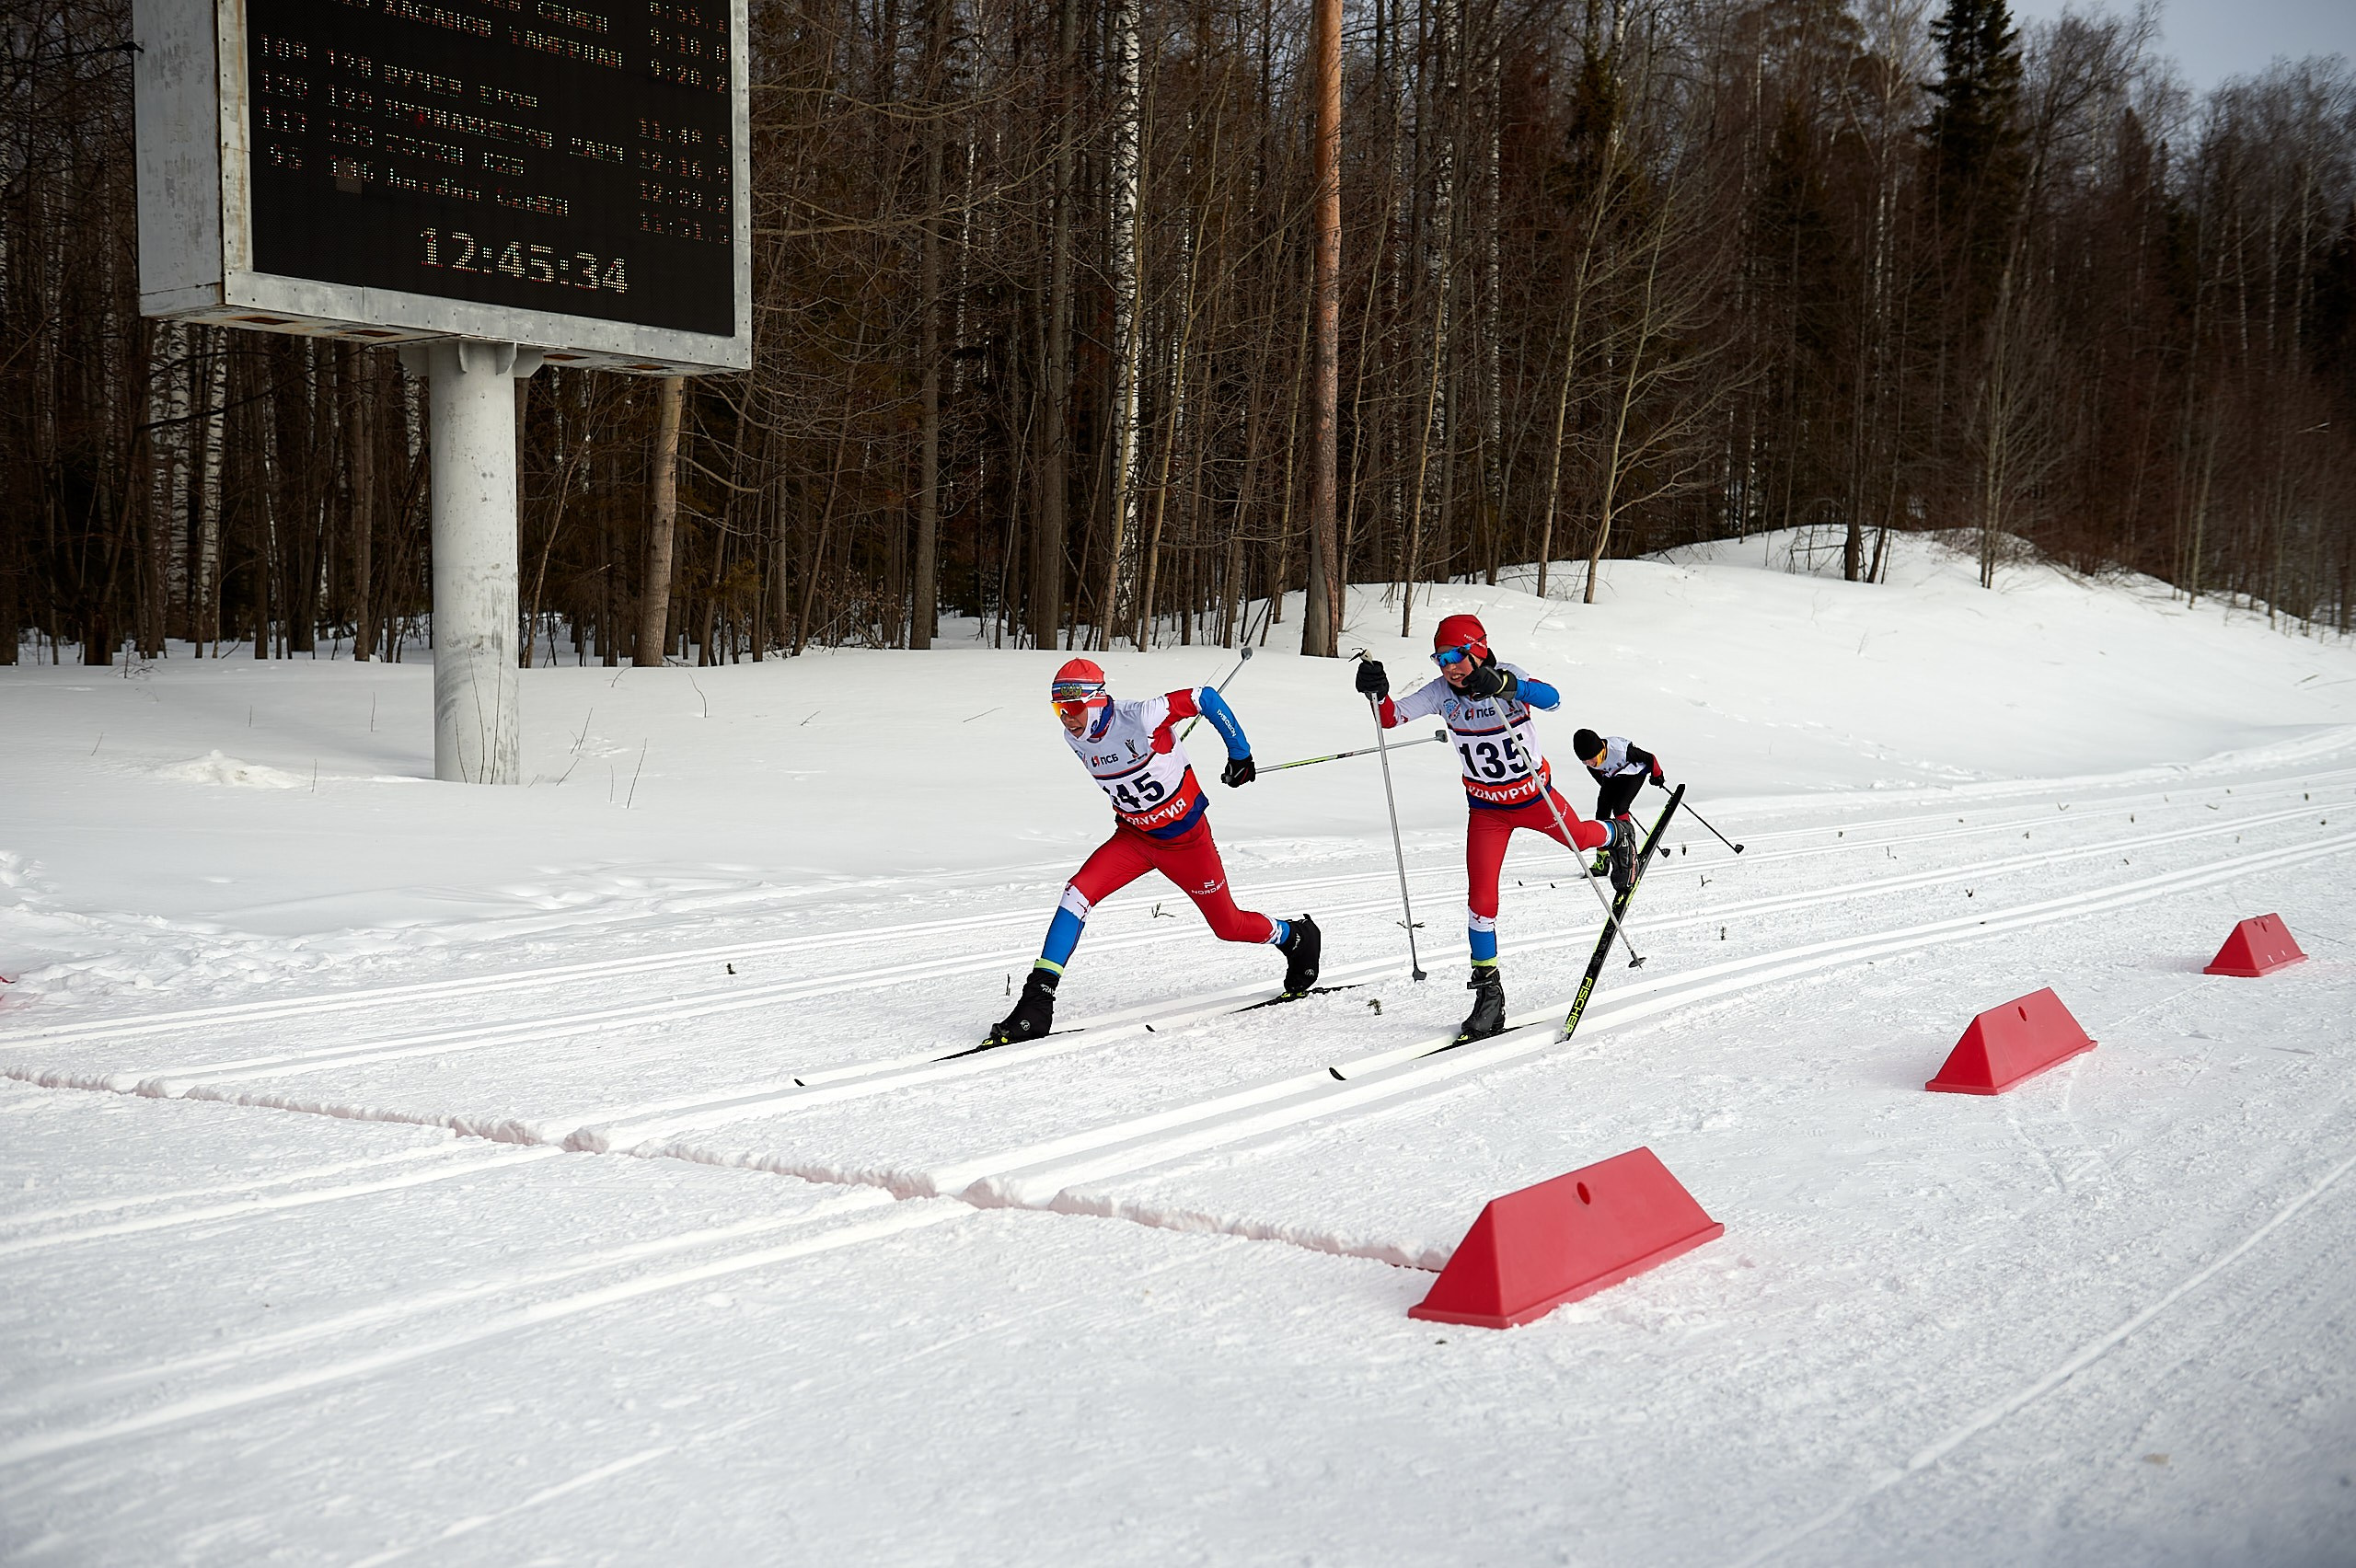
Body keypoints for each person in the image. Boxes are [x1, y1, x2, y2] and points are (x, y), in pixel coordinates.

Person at [984, 658, 1320, 1047]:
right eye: (1058, 710)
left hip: (1186, 845)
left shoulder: (1142, 718)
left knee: (1228, 927)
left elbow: (1205, 697)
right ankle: (1035, 1004)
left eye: (1073, 709)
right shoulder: (1074, 738)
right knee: (1077, 893)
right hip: (1135, 840)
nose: (1067, 720)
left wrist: (1240, 754)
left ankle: (1295, 937)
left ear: (1097, 701)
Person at [1353, 614, 1634, 1043]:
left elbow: (1553, 699)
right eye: (1440, 658)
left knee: (1579, 837)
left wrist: (1506, 686)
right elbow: (1390, 719)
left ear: (1478, 649)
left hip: (1535, 796)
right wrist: (1377, 692)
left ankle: (1617, 835)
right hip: (1487, 810)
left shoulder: (1508, 679)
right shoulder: (1441, 693)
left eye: (1457, 656)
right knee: (1480, 899)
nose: (1449, 666)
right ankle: (1489, 994)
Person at [1571, 728, 1666, 880]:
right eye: (1584, 761)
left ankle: (1630, 851)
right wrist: (1609, 792)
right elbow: (1601, 778)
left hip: (1634, 772)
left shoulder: (1620, 751)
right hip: (1614, 776)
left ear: (1600, 750)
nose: (1589, 763)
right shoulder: (1591, 762)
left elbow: (1650, 758)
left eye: (1591, 759)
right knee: (1601, 812)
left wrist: (1657, 775)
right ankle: (1602, 861)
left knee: (1620, 807)